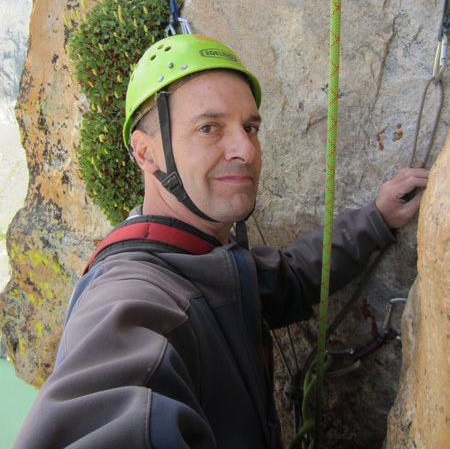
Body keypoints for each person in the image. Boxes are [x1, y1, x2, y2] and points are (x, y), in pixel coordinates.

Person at [13, 34, 428, 448]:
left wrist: (377, 219)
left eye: (251, 127)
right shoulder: (131, 297)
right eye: (209, 127)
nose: (246, 149)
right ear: (146, 154)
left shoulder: (198, 258)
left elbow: (289, 277)